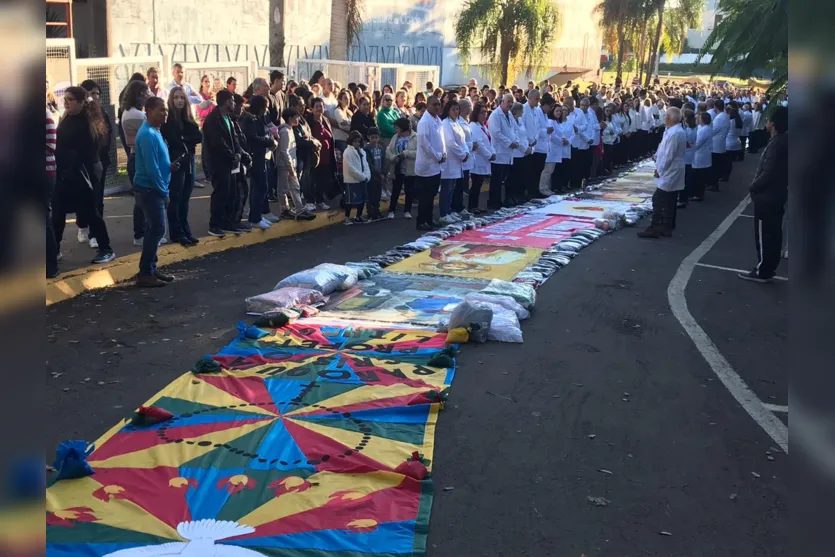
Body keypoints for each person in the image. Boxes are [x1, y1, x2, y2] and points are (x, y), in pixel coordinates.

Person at [52, 86, 115, 264]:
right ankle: (54, 249)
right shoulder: (67, 119)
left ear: (81, 102)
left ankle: (106, 248)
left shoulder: (88, 123)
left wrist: (69, 162)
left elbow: (87, 151)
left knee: (89, 212)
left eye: (70, 99)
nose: (66, 103)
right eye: (65, 99)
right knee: (57, 212)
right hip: (65, 173)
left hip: (82, 174)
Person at [739, 107, 788, 283]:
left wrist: (753, 186)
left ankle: (764, 269)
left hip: (767, 196)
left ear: (773, 124)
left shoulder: (777, 144)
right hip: (777, 194)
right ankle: (768, 266)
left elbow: (768, 172)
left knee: (765, 234)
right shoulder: (783, 141)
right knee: (773, 232)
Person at [133, 96, 178, 287]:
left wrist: (169, 166)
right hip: (150, 189)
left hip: (153, 188)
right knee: (158, 229)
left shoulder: (155, 131)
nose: (164, 113)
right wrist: (164, 192)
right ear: (148, 111)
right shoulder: (147, 135)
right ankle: (145, 272)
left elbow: (158, 163)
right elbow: (151, 170)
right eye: (160, 110)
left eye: (165, 110)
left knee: (155, 229)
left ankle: (150, 268)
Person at [161, 86, 202, 245]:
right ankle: (176, 232)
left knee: (185, 198)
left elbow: (197, 136)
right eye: (176, 97)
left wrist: (184, 138)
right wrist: (185, 139)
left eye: (182, 97)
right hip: (176, 162)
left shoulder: (188, 119)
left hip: (189, 161)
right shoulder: (168, 120)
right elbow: (172, 139)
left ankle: (185, 230)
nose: (179, 100)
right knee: (175, 198)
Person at [638, 107, 686, 238]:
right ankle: (667, 226)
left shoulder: (675, 133)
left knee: (659, 199)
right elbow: (663, 149)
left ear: (670, 119)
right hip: (672, 169)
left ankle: (656, 226)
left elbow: (668, 156)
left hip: (670, 170)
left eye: (666, 116)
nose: (665, 118)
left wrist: (660, 170)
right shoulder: (673, 131)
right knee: (670, 199)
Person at [77, 79, 113, 250]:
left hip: (99, 163)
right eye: (91, 94)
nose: (95, 97)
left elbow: (108, 137)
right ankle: (82, 224)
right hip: (82, 165)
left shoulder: (102, 114)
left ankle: (94, 234)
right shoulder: (77, 116)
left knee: (98, 199)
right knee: (83, 199)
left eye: (97, 94)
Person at [203, 90, 244, 236]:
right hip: (219, 163)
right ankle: (215, 224)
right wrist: (232, 155)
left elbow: (234, 138)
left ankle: (228, 222)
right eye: (232, 101)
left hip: (231, 162)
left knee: (231, 193)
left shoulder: (228, 118)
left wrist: (238, 153)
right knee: (220, 193)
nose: (234, 104)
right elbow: (217, 143)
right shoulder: (213, 120)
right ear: (226, 102)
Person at [119, 80, 154, 246]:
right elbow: (153, 131)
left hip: (136, 157)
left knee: (143, 197)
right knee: (143, 199)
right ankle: (140, 234)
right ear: (139, 95)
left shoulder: (129, 112)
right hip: (139, 158)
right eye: (147, 93)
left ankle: (142, 232)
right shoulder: (137, 115)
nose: (149, 96)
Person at [414, 95, 446, 230]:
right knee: (425, 197)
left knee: (432, 195)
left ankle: (429, 219)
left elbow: (441, 140)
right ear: (428, 106)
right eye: (434, 104)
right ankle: (421, 221)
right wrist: (438, 156)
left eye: (439, 104)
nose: (437, 107)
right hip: (427, 165)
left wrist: (443, 153)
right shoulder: (424, 122)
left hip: (436, 165)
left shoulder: (438, 120)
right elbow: (424, 145)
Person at [276, 108, 313, 220]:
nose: (298, 119)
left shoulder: (290, 130)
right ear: (290, 118)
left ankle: (299, 209)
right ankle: (285, 209)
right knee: (283, 188)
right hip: (285, 165)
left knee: (294, 187)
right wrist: (290, 167)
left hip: (290, 163)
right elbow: (284, 151)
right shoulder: (285, 132)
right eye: (296, 117)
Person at [438, 100, 468, 224]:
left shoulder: (456, 123)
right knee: (446, 188)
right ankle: (443, 213)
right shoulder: (446, 123)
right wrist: (462, 154)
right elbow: (450, 142)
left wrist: (466, 153)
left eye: (457, 109)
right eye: (453, 109)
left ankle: (449, 211)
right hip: (450, 160)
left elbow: (463, 141)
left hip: (457, 161)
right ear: (448, 110)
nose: (456, 112)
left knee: (452, 188)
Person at [486, 93, 518, 209]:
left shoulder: (509, 114)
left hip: (508, 153)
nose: (510, 104)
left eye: (511, 102)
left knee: (503, 179)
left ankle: (500, 201)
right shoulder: (495, 115)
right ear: (502, 102)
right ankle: (494, 202)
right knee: (496, 180)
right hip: (499, 152)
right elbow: (496, 133)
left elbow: (514, 129)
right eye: (508, 101)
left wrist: (516, 140)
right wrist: (510, 143)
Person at [306, 97, 336, 210]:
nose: (319, 108)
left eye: (321, 106)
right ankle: (310, 201)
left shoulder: (325, 120)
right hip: (313, 156)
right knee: (312, 179)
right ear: (312, 108)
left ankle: (320, 200)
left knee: (323, 180)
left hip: (326, 156)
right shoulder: (309, 121)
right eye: (317, 106)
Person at [386, 117, 417, 219]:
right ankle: (391, 211)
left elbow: (419, 152)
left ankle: (407, 211)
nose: (396, 130)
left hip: (410, 168)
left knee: (409, 190)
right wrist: (392, 157)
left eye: (397, 128)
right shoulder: (395, 137)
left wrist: (406, 154)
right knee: (396, 190)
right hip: (397, 167)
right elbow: (389, 150)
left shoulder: (415, 137)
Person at [467, 102, 495, 213]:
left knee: (479, 185)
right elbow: (478, 144)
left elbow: (489, 141)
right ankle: (472, 206)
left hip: (484, 159)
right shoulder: (473, 126)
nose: (485, 115)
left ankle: (476, 205)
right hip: (478, 159)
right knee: (475, 185)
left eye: (486, 112)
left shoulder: (484, 126)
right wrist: (489, 155)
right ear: (476, 114)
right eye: (482, 113)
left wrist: (493, 152)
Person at [522, 89, 550, 199]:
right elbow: (522, 127)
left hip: (534, 144)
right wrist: (529, 140)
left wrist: (535, 138)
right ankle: (528, 192)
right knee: (529, 172)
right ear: (530, 98)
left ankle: (534, 190)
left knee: (537, 171)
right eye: (537, 99)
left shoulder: (535, 110)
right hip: (527, 145)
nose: (538, 102)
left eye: (539, 99)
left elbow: (538, 127)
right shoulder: (524, 109)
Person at [343, 130, 370, 224]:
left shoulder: (362, 151)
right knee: (350, 201)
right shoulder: (347, 152)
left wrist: (367, 175)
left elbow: (365, 165)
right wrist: (362, 176)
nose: (357, 143)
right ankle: (346, 217)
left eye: (359, 141)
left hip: (362, 179)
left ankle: (359, 216)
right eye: (355, 141)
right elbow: (350, 168)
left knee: (362, 200)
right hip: (352, 180)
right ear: (351, 141)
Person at [538, 104, 566, 196]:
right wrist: (561, 141)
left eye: (560, 111)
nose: (559, 113)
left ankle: (547, 187)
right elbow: (553, 135)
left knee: (551, 170)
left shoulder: (557, 122)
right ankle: (542, 188)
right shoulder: (550, 121)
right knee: (547, 170)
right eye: (557, 111)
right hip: (551, 148)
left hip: (557, 149)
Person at [567, 97, 592, 189]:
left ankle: (576, 183)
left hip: (576, 143)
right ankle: (566, 183)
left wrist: (577, 129)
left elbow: (585, 126)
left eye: (571, 105)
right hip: (566, 143)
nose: (569, 107)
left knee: (577, 165)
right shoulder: (563, 112)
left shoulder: (579, 112)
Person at [509, 102, 531, 205]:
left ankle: (520, 195)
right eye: (521, 110)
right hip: (516, 152)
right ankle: (513, 196)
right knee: (514, 177)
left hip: (524, 152)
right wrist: (523, 148)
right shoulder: (512, 120)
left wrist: (528, 147)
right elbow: (515, 136)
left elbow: (524, 134)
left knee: (522, 176)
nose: (523, 112)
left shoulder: (520, 120)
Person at [363, 126, 386, 221]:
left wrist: (384, 172)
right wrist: (377, 173)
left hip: (380, 174)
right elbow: (369, 163)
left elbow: (384, 160)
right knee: (370, 193)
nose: (374, 140)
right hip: (371, 175)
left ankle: (377, 210)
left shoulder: (380, 148)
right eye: (372, 137)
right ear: (368, 137)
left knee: (378, 193)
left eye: (376, 137)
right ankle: (370, 212)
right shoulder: (366, 149)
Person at [678, 108, 698, 209]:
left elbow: (686, 143)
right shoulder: (690, 128)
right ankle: (684, 197)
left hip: (687, 156)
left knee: (685, 178)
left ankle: (683, 199)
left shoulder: (690, 130)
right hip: (688, 155)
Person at [723, 103, 743, 180]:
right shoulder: (739, 122)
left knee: (726, 162)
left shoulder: (730, 122)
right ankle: (727, 175)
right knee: (730, 161)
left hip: (728, 144)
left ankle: (725, 176)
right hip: (736, 144)